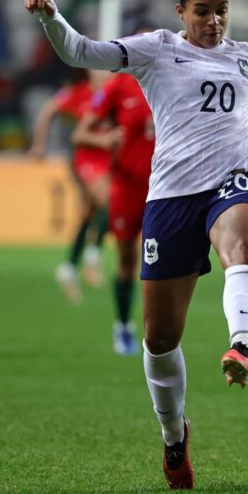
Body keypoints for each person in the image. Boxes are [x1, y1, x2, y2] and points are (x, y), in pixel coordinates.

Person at [25, 0, 248, 491]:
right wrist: (52, 20)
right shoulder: (155, 50)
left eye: (221, 9)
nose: (213, 20)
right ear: (181, 13)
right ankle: (173, 436)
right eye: (202, 10)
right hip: (171, 198)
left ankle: (241, 345)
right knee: (160, 341)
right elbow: (81, 52)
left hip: (232, 180)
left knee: (243, 244)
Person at [72, 69, 155, 356]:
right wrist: (105, 141)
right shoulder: (119, 86)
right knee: (127, 263)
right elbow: (80, 133)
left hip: (168, 188)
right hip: (128, 188)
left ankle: (158, 334)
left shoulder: (176, 76)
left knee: (164, 265)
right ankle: (123, 326)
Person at [29, 68, 111, 303]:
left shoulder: (112, 93)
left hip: (107, 159)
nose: (104, 73)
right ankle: (93, 258)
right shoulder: (78, 93)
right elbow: (48, 110)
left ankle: (68, 269)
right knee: (109, 202)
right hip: (84, 158)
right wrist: (39, 144)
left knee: (88, 213)